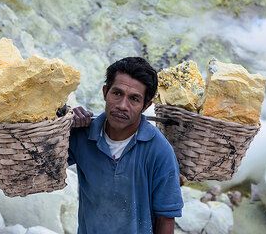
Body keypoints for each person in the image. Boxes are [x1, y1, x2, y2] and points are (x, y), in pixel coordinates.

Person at [68, 57, 183, 234]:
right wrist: (63, 119)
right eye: (117, 93)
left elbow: (166, 217)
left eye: (134, 99)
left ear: (145, 106)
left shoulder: (159, 152)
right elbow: (41, 162)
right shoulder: (83, 135)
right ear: (105, 92)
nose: (122, 105)